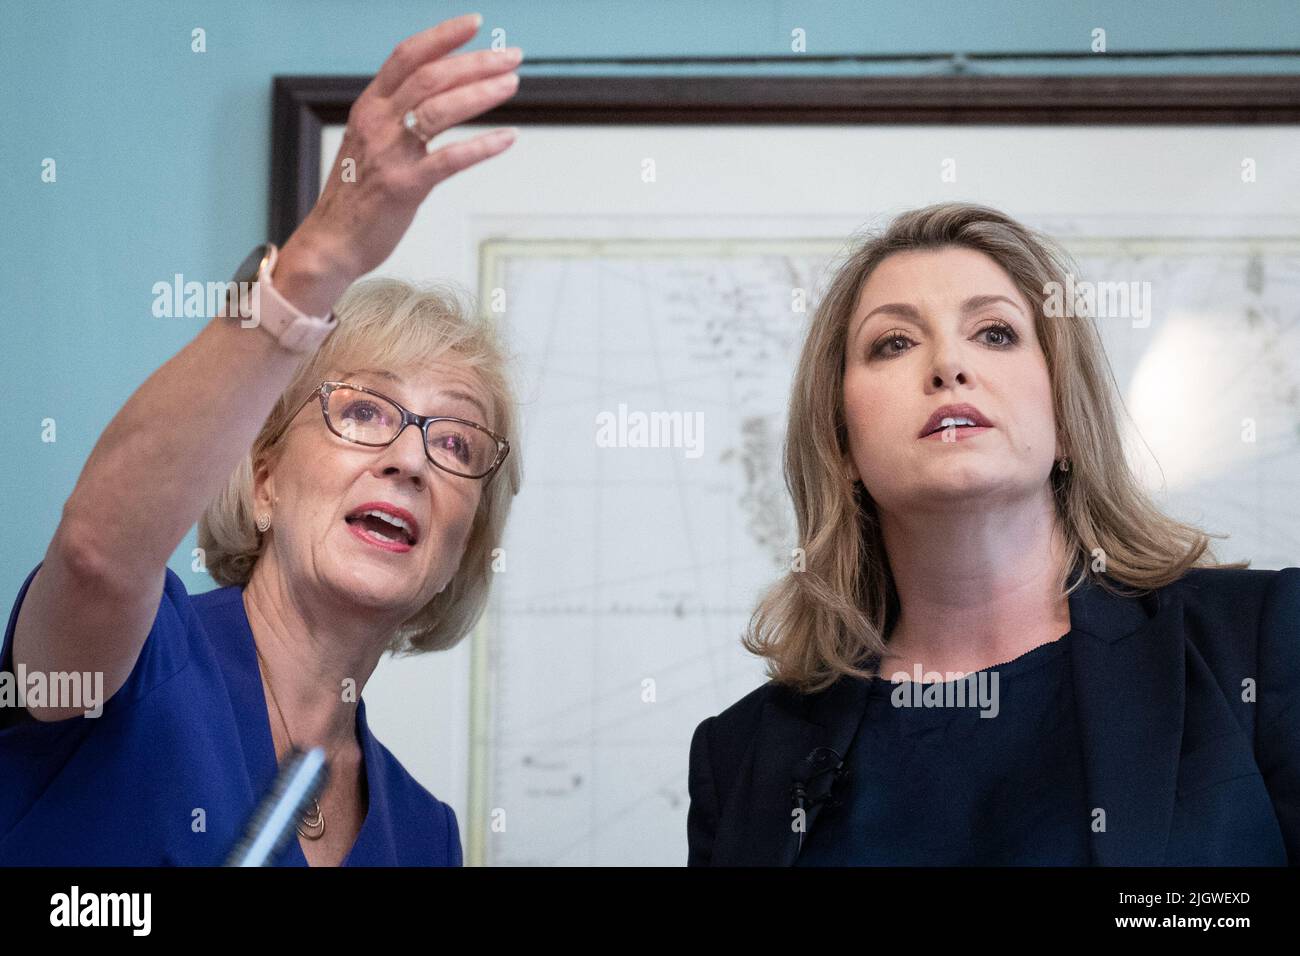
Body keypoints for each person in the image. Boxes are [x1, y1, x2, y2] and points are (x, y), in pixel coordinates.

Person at [0, 13, 524, 866]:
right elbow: (96, 551)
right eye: (362, 412)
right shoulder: (140, 661)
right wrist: (317, 260)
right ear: (266, 475)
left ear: (465, 553)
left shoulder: (426, 836)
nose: (408, 460)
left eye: (457, 445)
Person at [686, 202, 1300, 866]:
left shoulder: (1262, 645)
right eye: (894, 342)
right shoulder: (741, 756)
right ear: (840, 445)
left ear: (1065, 418)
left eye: (995, 333)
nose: (948, 364)